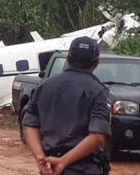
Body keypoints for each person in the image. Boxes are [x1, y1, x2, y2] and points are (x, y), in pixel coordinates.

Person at [22, 36, 111, 175]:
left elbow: (30, 124)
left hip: (50, 168)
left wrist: (41, 159)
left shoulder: (44, 86)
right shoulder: (99, 91)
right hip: (84, 168)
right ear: (96, 63)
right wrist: (63, 161)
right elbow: (98, 136)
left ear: (68, 59)